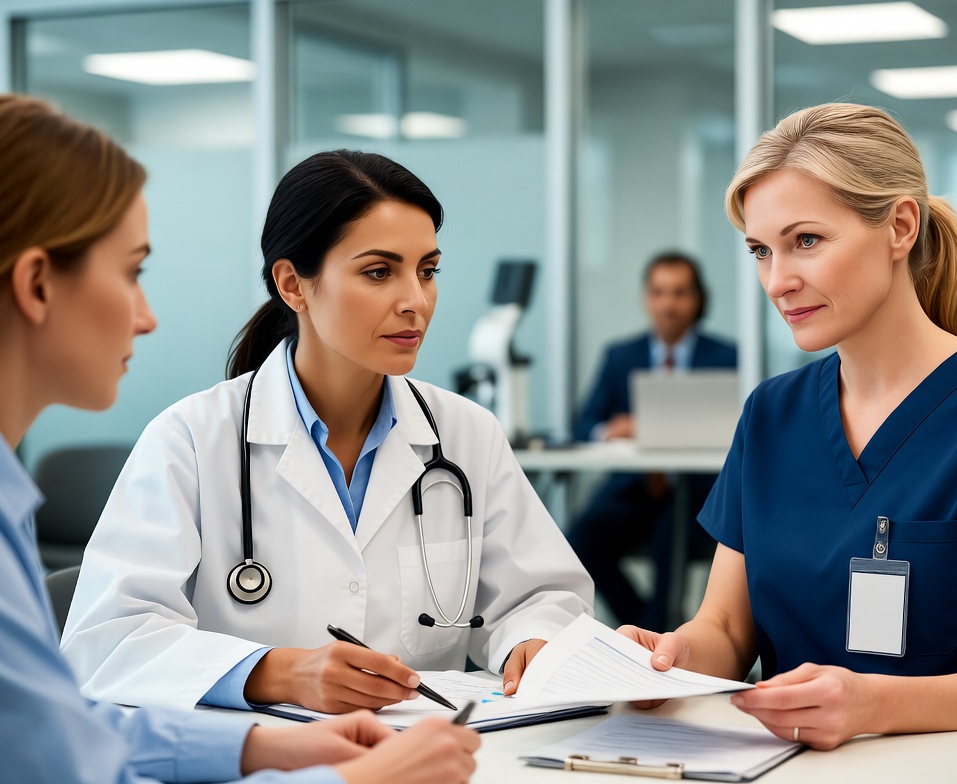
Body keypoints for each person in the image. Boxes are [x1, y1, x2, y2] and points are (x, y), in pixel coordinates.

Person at [620, 103, 957, 784]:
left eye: (806, 241)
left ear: (899, 226)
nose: (777, 281)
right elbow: (729, 633)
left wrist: (871, 704)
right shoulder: (771, 415)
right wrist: (670, 657)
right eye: (761, 251)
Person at [0, 93, 478, 783]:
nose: (148, 317)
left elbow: (59, 738)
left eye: (427, 271)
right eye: (133, 271)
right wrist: (347, 773)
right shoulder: (192, 435)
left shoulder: (10, 509)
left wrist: (269, 750)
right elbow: (95, 675)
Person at [60, 146, 593, 714]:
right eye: (379, 272)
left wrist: (533, 642)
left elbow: (541, 597)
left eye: (428, 271)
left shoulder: (465, 435)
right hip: (253, 763)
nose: (416, 300)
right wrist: (277, 672)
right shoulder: (191, 439)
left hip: (422, 759)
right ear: (293, 285)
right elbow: (108, 641)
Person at [567, 251, 736, 628]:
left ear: (697, 300)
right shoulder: (621, 356)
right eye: (659, 293)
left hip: (697, 494)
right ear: (647, 298)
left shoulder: (727, 356)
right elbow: (584, 424)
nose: (669, 304)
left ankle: (657, 637)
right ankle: (649, 630)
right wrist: (610, 430)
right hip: (636, 490)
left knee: (669, 539)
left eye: (679, 293)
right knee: (581, 536)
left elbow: (740, 427)